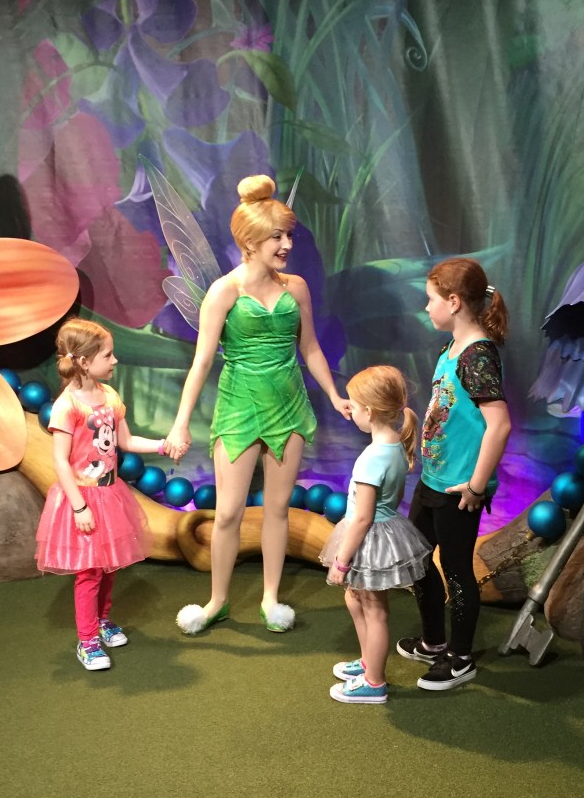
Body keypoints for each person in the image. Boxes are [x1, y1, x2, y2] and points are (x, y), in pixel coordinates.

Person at [163, 175, 350, 634]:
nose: (287, 244)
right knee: (228, 512)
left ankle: (270, 598)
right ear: (250, 242)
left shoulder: (296, 288)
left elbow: (310, 347)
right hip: (239, 407)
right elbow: (201, 362)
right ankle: (217, 601)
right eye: (277, 237)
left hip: (288, 407)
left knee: (277, 510)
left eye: (288, 235)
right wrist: (180, 424)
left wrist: (334, 395)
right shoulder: (224, 291)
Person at [397, 256, 511, 691]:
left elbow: (499, 425)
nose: (427, 307)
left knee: (457, 570)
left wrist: (477, 486)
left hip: (460, 488)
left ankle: (461, 658)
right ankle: (433, 641)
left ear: (454, 301)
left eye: (431, 300)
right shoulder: (451, 348)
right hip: (433, 479)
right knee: (417, 558)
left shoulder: (478, 355)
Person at [35, 318, 169, 671]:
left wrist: (162, 445)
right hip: (82, 498)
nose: (115, 360)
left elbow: (126, 441)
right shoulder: (67, 405)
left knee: (109, 567)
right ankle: (87, 640)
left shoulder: (109, 395)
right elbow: (60, 461)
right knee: (89, 573)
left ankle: (102, 621)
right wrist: (79, 507)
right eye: (108, 355)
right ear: (83, 361)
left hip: (110, 496)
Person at [320, 366, 431, 705]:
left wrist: (341, 561)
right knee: (357, 598)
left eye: (353, 406)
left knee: (374, 609)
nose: (350, 411)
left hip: (369, 537)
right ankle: (369, 660)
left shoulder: (371, 459)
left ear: (368, 412)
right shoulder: (395, 444)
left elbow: (363, 517)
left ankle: (374, 681)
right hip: (381, 530)